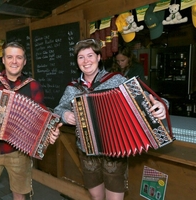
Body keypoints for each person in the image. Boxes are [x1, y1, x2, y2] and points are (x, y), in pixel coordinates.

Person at [54, 38, 167, 200]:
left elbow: (148, 97)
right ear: (77, 61)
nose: (86, 61)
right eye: (81, 57)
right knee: (96, 196)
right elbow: (58, 110)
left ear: (99, 57)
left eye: (90, 55)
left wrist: (162, 105)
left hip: (114, 149)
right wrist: (65, 115)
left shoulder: (116, 80)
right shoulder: (73, 88)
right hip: (87, 151)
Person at [0, 42, 62, 200]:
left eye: (19, 57)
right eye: (10, 57)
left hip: (19, 151)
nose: (14, 61)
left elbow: (43, 119)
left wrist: (51, 133)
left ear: (24, 61)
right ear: (3, 60)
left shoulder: (33, 86)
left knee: (19, 195)